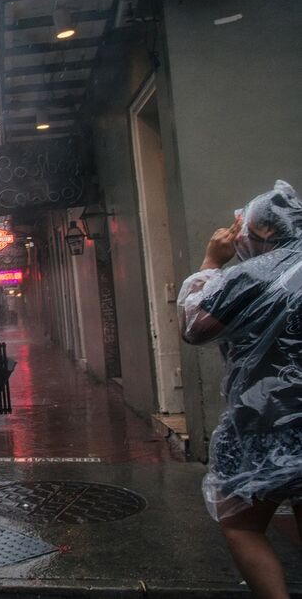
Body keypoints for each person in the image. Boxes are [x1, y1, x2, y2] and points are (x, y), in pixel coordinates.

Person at [177, 180, 302, 599]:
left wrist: (212, 261)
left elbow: (194, 327)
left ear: (264, 232)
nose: (239, 234)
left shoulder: (250, 277)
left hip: (261, 425)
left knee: (241, 523)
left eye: (243, 227)